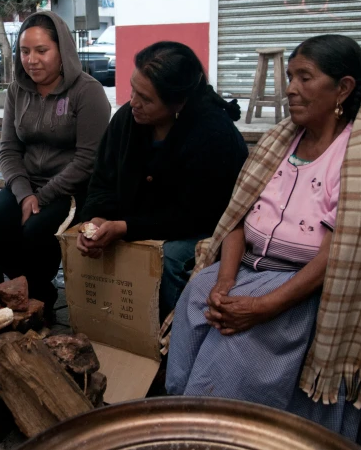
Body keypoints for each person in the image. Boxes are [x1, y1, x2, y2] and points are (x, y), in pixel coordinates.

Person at [165, 35, 361, 444]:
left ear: (344, 88)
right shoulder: (280, 140)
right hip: (246, 269)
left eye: (305, 77)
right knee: (197, 300)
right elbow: (237, 216)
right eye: (289, 76)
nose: (290, 88)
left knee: (233, 348)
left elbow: (339, 254)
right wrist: (225, 282)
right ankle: (186, 422)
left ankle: (222, 435)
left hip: (302, 288)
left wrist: (264, 307)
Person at [77, 42, 248, 320]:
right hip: (137, 221)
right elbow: (103, 178)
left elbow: (195, 215)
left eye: (145, 98)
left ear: (178, 103)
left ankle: (170, 336)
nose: (133, 102)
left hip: (199, 227)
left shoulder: (213, 136)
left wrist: (125, 227)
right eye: (133, 90)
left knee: (169, 259)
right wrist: (96, 218)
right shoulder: (128, 120)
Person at [0, 11, 111, 311]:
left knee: (35, 233)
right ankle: (25, 291)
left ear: (61, 50)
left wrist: (43, 196)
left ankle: (38, 299)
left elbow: (88, 159)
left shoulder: (87, 92)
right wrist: (25, 193)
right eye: (24, 51)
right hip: (27, 185)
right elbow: (8, 150)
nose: (32, 60)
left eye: (42, 50)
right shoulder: (17, 90)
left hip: (71, 189)